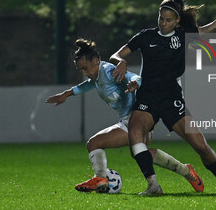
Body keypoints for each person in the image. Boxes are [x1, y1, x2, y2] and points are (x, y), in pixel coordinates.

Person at [109, 0, 216, 195]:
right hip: (147, 97)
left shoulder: (184, 37)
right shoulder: (145, 37)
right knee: (134, 134)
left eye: (168, 20)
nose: (163, 23)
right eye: (160, 19)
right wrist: (120, 61)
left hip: (172, 98)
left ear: (177, 21)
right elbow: (115, 54)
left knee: (200, 145)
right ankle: (153, 185)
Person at [45, 39, 204, 193]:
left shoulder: (108, 71)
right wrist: (67, 93)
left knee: (94, 143)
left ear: (95, 60)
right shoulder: (96, 76)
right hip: (138, 116)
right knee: (141, 154)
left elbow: (135, 77)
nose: (84, 73)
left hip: (137, 117)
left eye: (85, 68)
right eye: (80, 70)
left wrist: (134, 83)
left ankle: (101, 178)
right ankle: (186, 171)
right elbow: (87, 85)